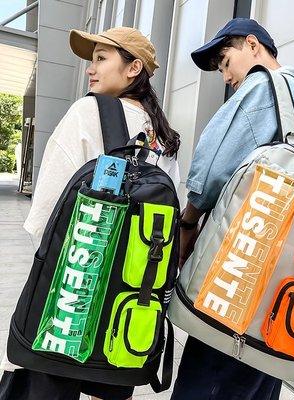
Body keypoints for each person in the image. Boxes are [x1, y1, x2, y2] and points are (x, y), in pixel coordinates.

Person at [0, 26, 180, 400]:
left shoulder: (88, 111)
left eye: (101, 58)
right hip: (128, 297)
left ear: (133, 68)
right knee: (108, 385)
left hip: (72, 288)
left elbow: (47, 210)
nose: (90, 68)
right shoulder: (162, 135)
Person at [171, 17, 294, 400]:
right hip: (284, 288)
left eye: (226, 62)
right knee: (258, 379)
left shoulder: (262, 87)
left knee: (208, 381)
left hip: (239, 275)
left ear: (253, 45)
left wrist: (188, 224)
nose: (226, 77)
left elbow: (211, 168)